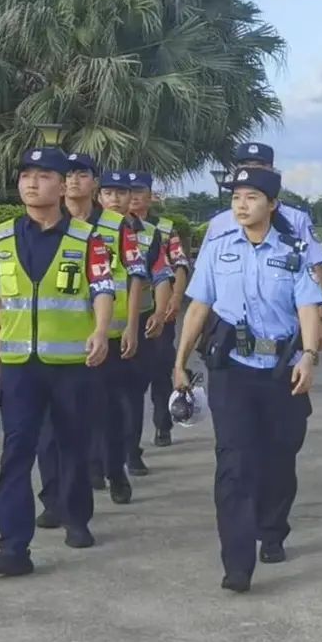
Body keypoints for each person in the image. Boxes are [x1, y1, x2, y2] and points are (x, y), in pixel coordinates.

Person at [173, 166, 322, 593]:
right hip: (232, 369)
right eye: (236, 197)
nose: (242, 205)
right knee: (234, 463)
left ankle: (272, 530)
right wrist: (179, 360)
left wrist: (309, 356)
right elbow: (199, 307)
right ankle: (237, 563)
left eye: (252, 197)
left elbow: (309, 307)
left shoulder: (294, 251)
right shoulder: (218, 248)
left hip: (281, 370)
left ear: (272, 204)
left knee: (279, 455)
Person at [0, 147, 115, 577]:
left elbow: (103, 287)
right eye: (26, 176)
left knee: (72, 444)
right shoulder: (2, 237)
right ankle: (13, 547)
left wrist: (100, 330)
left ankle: (76, 517)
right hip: (20, 364)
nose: (32, 184)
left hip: (71, 363)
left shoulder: (87, 238)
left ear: (61, 185)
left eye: (43, 176)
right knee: (16, 451)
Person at [35, 157, 145, 521]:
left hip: (109, 337)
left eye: (82, 175)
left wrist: (131, 325)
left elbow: (135, 274)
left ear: (93, 183)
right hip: (63, 342)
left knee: (109, 411)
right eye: (68, 175)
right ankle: (57, 497)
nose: (74, 181)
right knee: (56, 422)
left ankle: (115, 470)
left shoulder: (116, 225)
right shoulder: (50, 224)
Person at [202, 142, 322, 350]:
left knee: (282, 362)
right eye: (245, 165)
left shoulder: (296, 219)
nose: (251, 170)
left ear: (271, 169)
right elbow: (205, 281)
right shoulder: (220, 222)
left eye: (258, 165)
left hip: (283, 323)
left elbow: (315, 269)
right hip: (229, 334)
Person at [128, 175, 192, 448]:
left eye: (139, 191)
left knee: (160, 368)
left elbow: (179, 264)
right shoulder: (114, 227)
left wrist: (175, 298)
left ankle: (163, 424)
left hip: (160, 310)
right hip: (128, 312)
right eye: (128, 191)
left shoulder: (164, 229)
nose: (133, 197)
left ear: (150, 195)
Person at [124, 171, 173, 475]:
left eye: (134, 191)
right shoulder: (88, 231)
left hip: (142, 319)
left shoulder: (155, 232)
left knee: (139, 387)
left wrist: (163, 309)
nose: (128, 198)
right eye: (117, 192)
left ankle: (133, 450)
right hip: (98, 326)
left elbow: (166, 273)